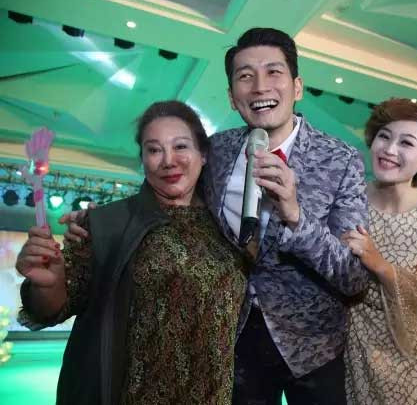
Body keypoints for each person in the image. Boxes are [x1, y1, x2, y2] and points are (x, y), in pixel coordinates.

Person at [16, 101, 247, 405]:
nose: (168, 161)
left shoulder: (230, 227)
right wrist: (48, 284)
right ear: (143, 159)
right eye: (154, 150)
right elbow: (50, 308)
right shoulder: (107, 224)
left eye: (180, 146)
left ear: (203, 154)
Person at [209, 27, 370, 405]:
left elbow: (353, 277)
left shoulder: (341, 159)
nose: (260, 87)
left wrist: (296, 216)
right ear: (232, 97)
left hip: (314, 349)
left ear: (297, 87)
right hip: (233, 343)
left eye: (274, 72)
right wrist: (98, 224)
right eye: (245, 76)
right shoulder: (215, 151)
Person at [342, 98, 417, 404]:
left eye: (406, 142)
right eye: (384, 136)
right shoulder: (348, 199)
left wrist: (379, 264)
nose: (390, 149)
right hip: (355, 347)